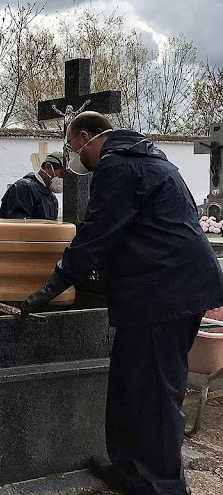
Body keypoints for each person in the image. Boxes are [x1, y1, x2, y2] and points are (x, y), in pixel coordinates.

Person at [20, 111, 223, 495]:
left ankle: (164, 485)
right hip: (161, 291)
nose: (72, 157)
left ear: (85, 136)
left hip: (167, 295)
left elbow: (96, 234)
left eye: (71, 147)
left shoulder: (119, 167)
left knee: (157, 392)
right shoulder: (146, 160)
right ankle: (130, 470)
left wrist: (54, 285)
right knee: (130, 385)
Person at [0, 152, 64, 220]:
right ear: (47, 167)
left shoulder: (51, 196)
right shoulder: (23, 188)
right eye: (61, 174)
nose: (63, 179)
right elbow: (19, 225)